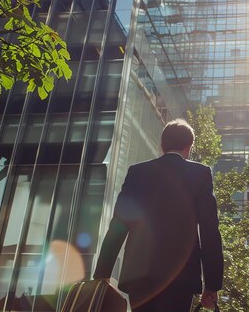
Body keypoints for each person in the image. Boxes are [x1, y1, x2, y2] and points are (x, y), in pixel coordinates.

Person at [93, 119, 223, 311]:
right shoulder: (200, 174)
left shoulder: (137, 172)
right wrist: (212, 284)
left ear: (161, 146)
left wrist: (102, 274)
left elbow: (119, 224)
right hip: (181, 277)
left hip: (139, 276)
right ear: (189, 148)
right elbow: (209, 231)